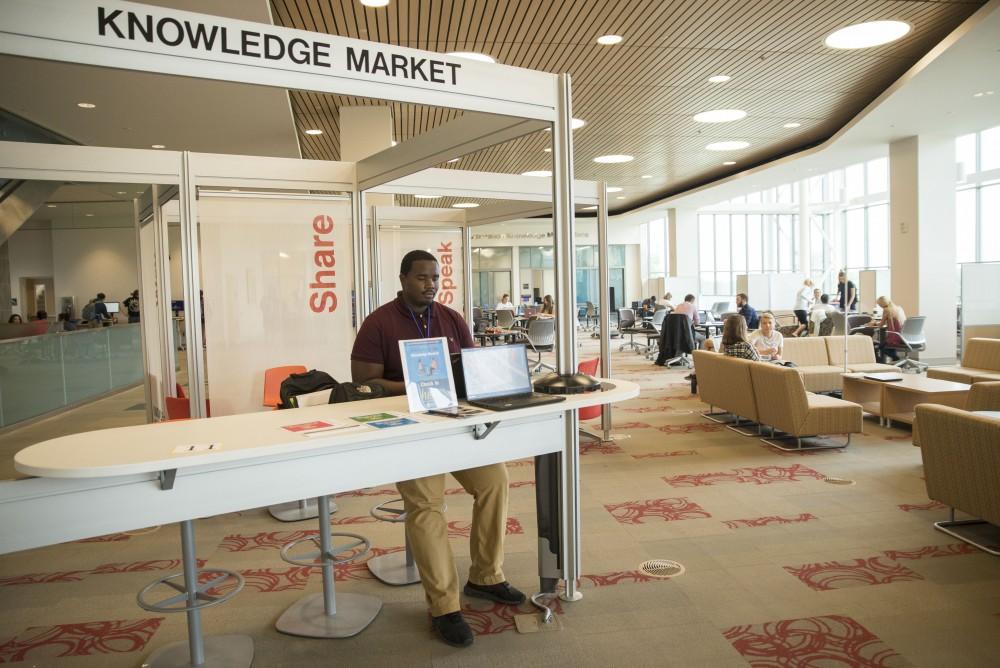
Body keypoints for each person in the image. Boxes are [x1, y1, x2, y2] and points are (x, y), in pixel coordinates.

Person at [350, 249, 524, 648]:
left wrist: (462, 381)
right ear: (403, 278)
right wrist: (419, 381)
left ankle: (485, 576)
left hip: (455, 423)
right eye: (422, 278)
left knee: (495, 480)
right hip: (409, 430)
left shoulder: (451, 318)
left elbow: (471, 369)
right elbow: (363, 383)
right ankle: (444, 606)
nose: (431, 285)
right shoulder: (378, 322)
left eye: (436, 278)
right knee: (427, 506)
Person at [868, 296, 906, 362]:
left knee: (880, 347)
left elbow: (881, 325)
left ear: (881, 304)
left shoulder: (887, 310)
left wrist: (873, 323)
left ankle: (894, 359)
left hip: (895, 337)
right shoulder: (899, 308)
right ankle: (895, 360)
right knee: (885, 345)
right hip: (903, 336)